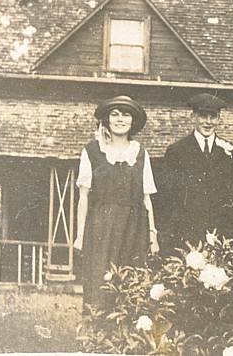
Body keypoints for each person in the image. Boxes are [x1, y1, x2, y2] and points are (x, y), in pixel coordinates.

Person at [73, 95, 159, 311]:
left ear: (133, 121)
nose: (120, 119)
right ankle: (98, 340)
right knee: (100, 283)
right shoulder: (92, 151)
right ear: (107, 120)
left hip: (134, 228)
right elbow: (83, 196)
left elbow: (147, 198)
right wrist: (80, 235)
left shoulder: (140, 154)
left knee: (132, 283)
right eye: (115, 114)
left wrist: (152, 234)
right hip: (101, 227)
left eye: (126, 114)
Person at [161, 93, 233, 247]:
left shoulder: (229, 150)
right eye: (203, 116)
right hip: (187, 229)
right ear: (193, 117)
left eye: (213, 117)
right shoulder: (177, 151)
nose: (208, 122)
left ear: (219, 119)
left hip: (221, 230)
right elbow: (170, 195)